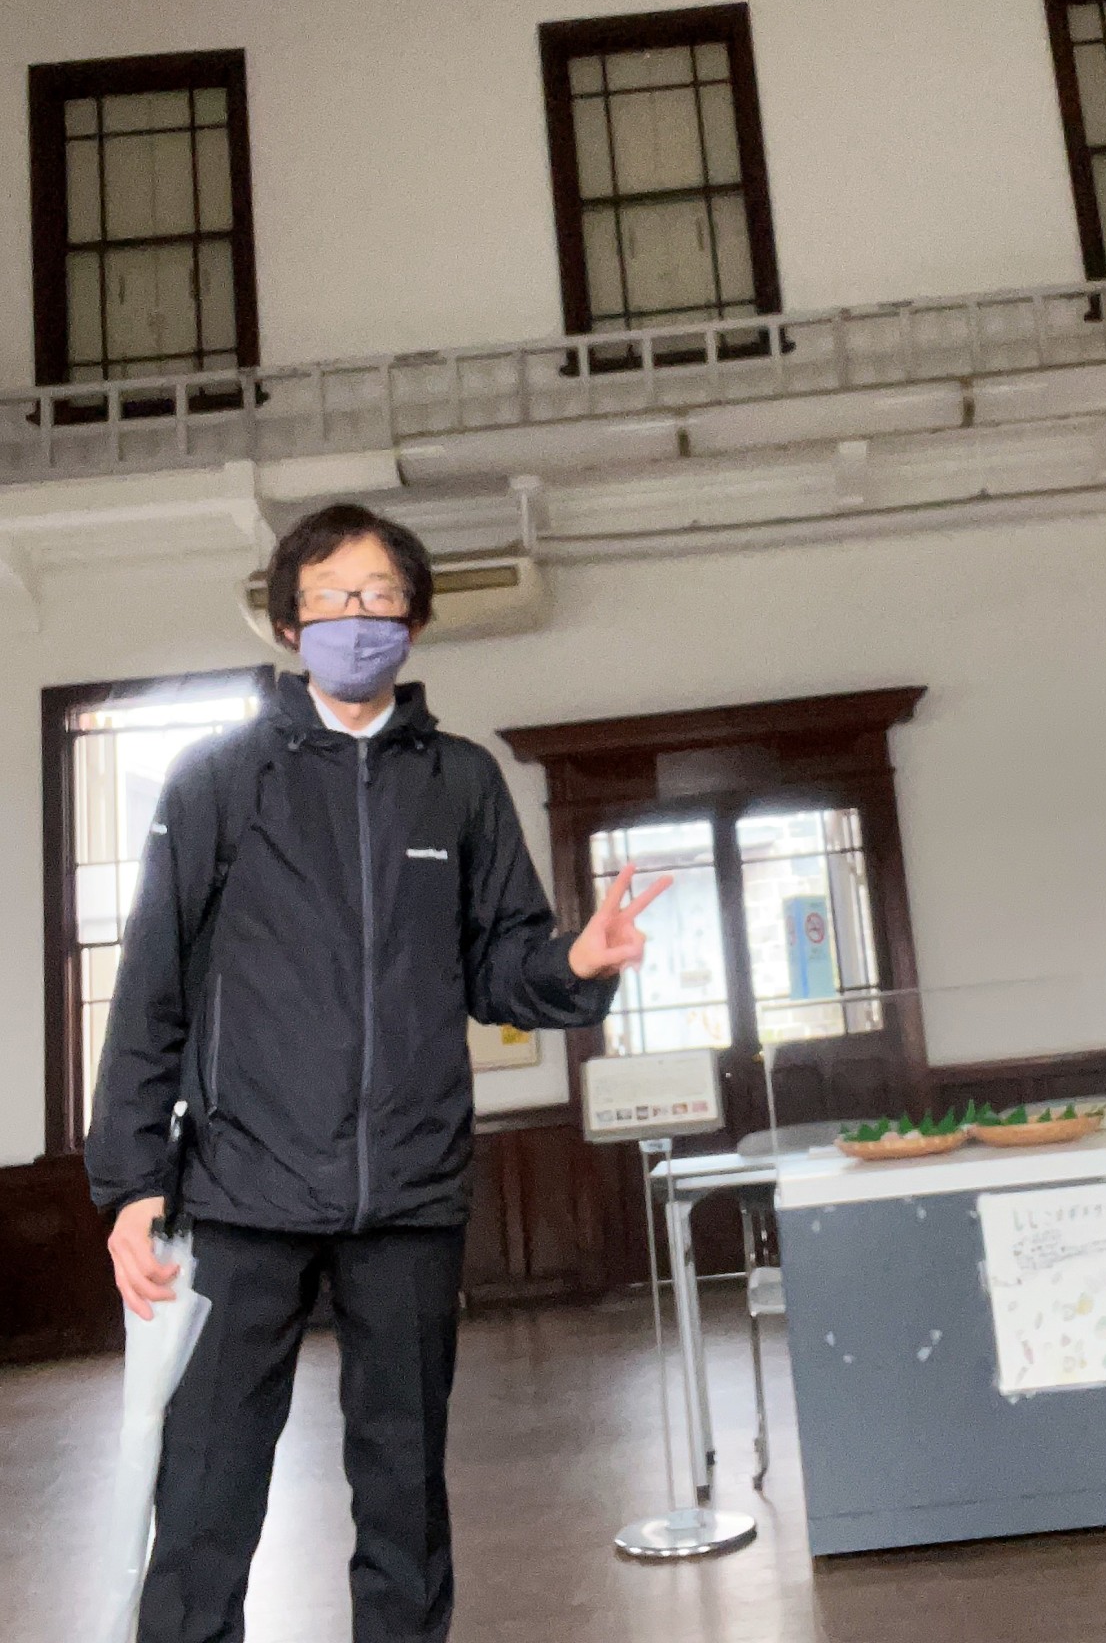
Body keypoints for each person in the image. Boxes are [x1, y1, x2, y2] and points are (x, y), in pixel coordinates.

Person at [86, 502, 669, 1643]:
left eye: (381, 597)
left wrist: (577, 961)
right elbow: (150, 983)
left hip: (408, 1196)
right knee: (204, 1491)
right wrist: (131, 1181)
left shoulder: (459, 781)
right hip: (241, 1193)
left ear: (415, 620)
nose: (357, 618)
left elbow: (501, 965)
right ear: (289, 622)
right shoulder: (218, 781)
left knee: (404, 1492)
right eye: (331, 597)